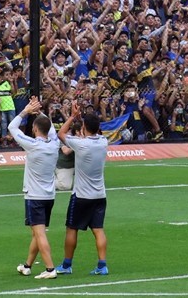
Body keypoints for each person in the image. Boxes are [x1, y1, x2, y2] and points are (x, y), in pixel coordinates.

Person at [55, 100, 110, 276]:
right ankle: (102, 265)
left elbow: (61, 133)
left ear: (84, 127)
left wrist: (72, 117)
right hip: (99, 194)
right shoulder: (103, 141)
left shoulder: (81, 144)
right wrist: (82, 121)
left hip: (81, 195)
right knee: (98, 229)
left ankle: (66, 264)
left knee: (72, 228)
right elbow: (91, 135)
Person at [8, 96, 61, 280]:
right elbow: (51, 129)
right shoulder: (55, 144)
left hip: (34, 196)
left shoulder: (32, 145)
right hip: (49, 196)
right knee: (37, 234)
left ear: (35, 129)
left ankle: (49, 269)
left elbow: (12, 128)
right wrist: (40, 112)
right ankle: (27, 265)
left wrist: (25, 111)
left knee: (39, 233)